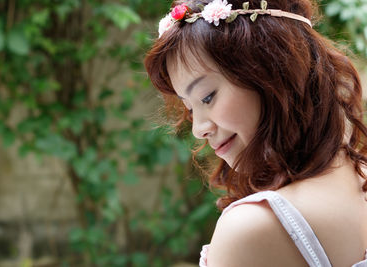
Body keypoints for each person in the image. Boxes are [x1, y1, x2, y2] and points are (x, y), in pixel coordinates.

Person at [144, 0, 367, 266]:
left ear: (271, 71)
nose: (198, 129)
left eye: (207, 97)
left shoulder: (252, 228)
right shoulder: (360, 174)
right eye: (190, 109)